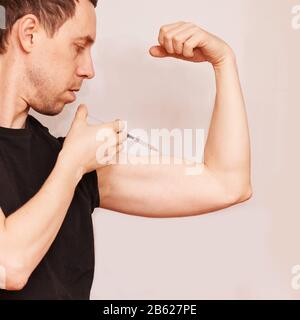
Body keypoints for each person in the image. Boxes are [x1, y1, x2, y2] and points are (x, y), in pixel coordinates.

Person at [0, 0, 252, 299]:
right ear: (29, 34)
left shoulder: (67, 158)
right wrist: (72, 165)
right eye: (78, 46)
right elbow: (9, 265)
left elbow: (227, 184)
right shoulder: (72, 162)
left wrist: (224, 62)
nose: (88, 69)